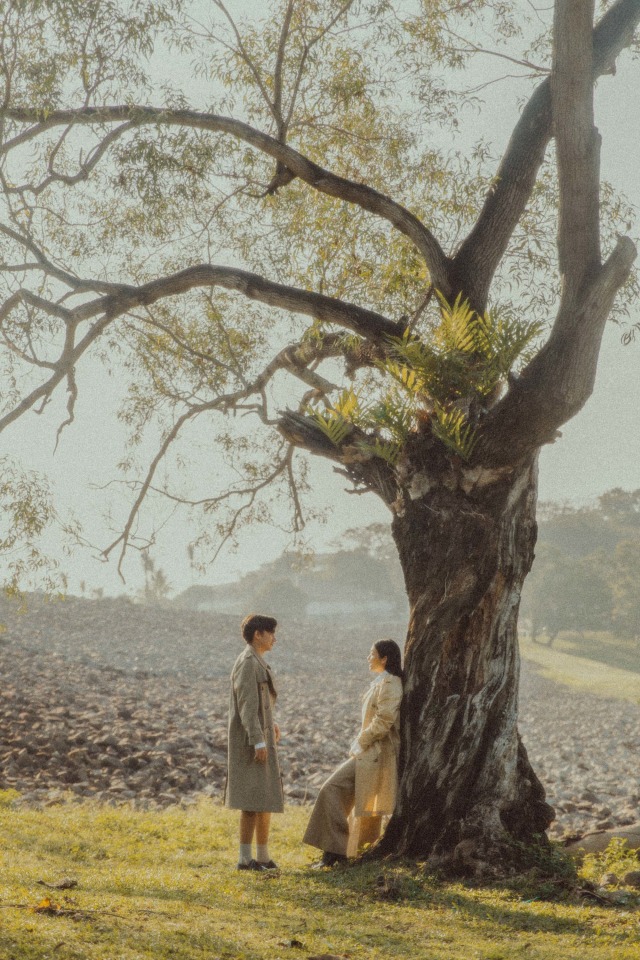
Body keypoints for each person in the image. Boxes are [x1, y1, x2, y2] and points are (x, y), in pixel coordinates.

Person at [303, 639, 403, 867]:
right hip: (371, 751)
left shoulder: (390, 683)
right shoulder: (382, 682)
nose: (368, 658)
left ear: (384, 658)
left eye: (372, 654)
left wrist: (361, 741)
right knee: (363, 804)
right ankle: (345, 854)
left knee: (332, 790)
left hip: (376, 752)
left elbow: (384, 719)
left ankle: (335, 853)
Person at [225, 613, 283, 871]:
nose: (274, 638)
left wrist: (271, 726)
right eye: (270, 632)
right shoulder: (248, 662)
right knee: (250, 801)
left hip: (262, 737)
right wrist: (258, 741)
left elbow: (262, 704)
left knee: (265, 798)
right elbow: (247, 706)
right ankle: (244, 858)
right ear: (257, 634)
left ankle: (262, 856)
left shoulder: (258, 661)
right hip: (251, 742)